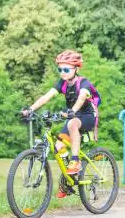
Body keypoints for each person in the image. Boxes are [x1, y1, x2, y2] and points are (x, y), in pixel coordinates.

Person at [21, 50, 100, 196]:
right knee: (58, 146)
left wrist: (73, 110)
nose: (62, 72)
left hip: (88, 116)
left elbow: (82, 97)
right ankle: (68, 180)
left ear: (76, 68)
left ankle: (75, 161)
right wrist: (30, 109)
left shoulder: (84, 83)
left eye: (66, 69)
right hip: (73, 115)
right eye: (60, 69)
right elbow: (46, 96)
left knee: (72, 124)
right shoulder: (62, 84)